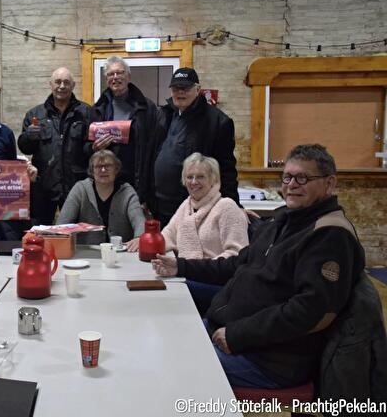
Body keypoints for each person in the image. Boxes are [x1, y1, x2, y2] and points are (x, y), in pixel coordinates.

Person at [152, 144, 365, 389]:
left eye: (303, 178)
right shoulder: (282, 221)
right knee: (162, 340)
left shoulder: (329, 235)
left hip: (267, 359)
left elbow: (309, 312)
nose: (292, 184)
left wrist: (237, 335)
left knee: (168, 367)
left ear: (329, 184)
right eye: (287, 177)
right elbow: (235, 264)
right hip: (228, 329)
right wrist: (180, 267)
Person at [153, 67, 240, 227]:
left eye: (185, 88)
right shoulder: (165, 115)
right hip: (160, 205)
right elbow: (152, 156)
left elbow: (226, 169)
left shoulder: (218, 122)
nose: (180, 92)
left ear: (198, 89)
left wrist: (233, 206)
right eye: (175, 88)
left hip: (195, 206)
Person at [85, 56, 161, 210]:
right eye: (111, 74)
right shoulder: (97, 109)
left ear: (129, 76)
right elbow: (84, 148)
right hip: (106, 181)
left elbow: (155, 149)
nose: (115, 77)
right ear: (106, 79)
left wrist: (148, 193)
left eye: (119, 73)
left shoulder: (147, 108)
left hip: (136, 181)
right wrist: (94, 147)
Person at [18, 67, 91, 225]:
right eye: (58, 82)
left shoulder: (86, 113)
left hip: (76, 185)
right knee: (41, 230)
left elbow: (90, 149)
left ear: (73, 85)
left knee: (78, 231)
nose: (62, 86)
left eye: (66, 82)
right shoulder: (35, 114)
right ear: (50, 84)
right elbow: (25, 148)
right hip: (44, 185)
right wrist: (29, 137)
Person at [57, 150, 144, 245]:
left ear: (116, 169)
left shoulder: (127, 191)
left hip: (121, 252)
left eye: (108, 166)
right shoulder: (80, 189)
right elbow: (62, 225)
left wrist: (140, 237)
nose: (103, 170)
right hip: (86, 253)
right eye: (98, 166)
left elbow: (139, 221)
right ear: (92, 171)